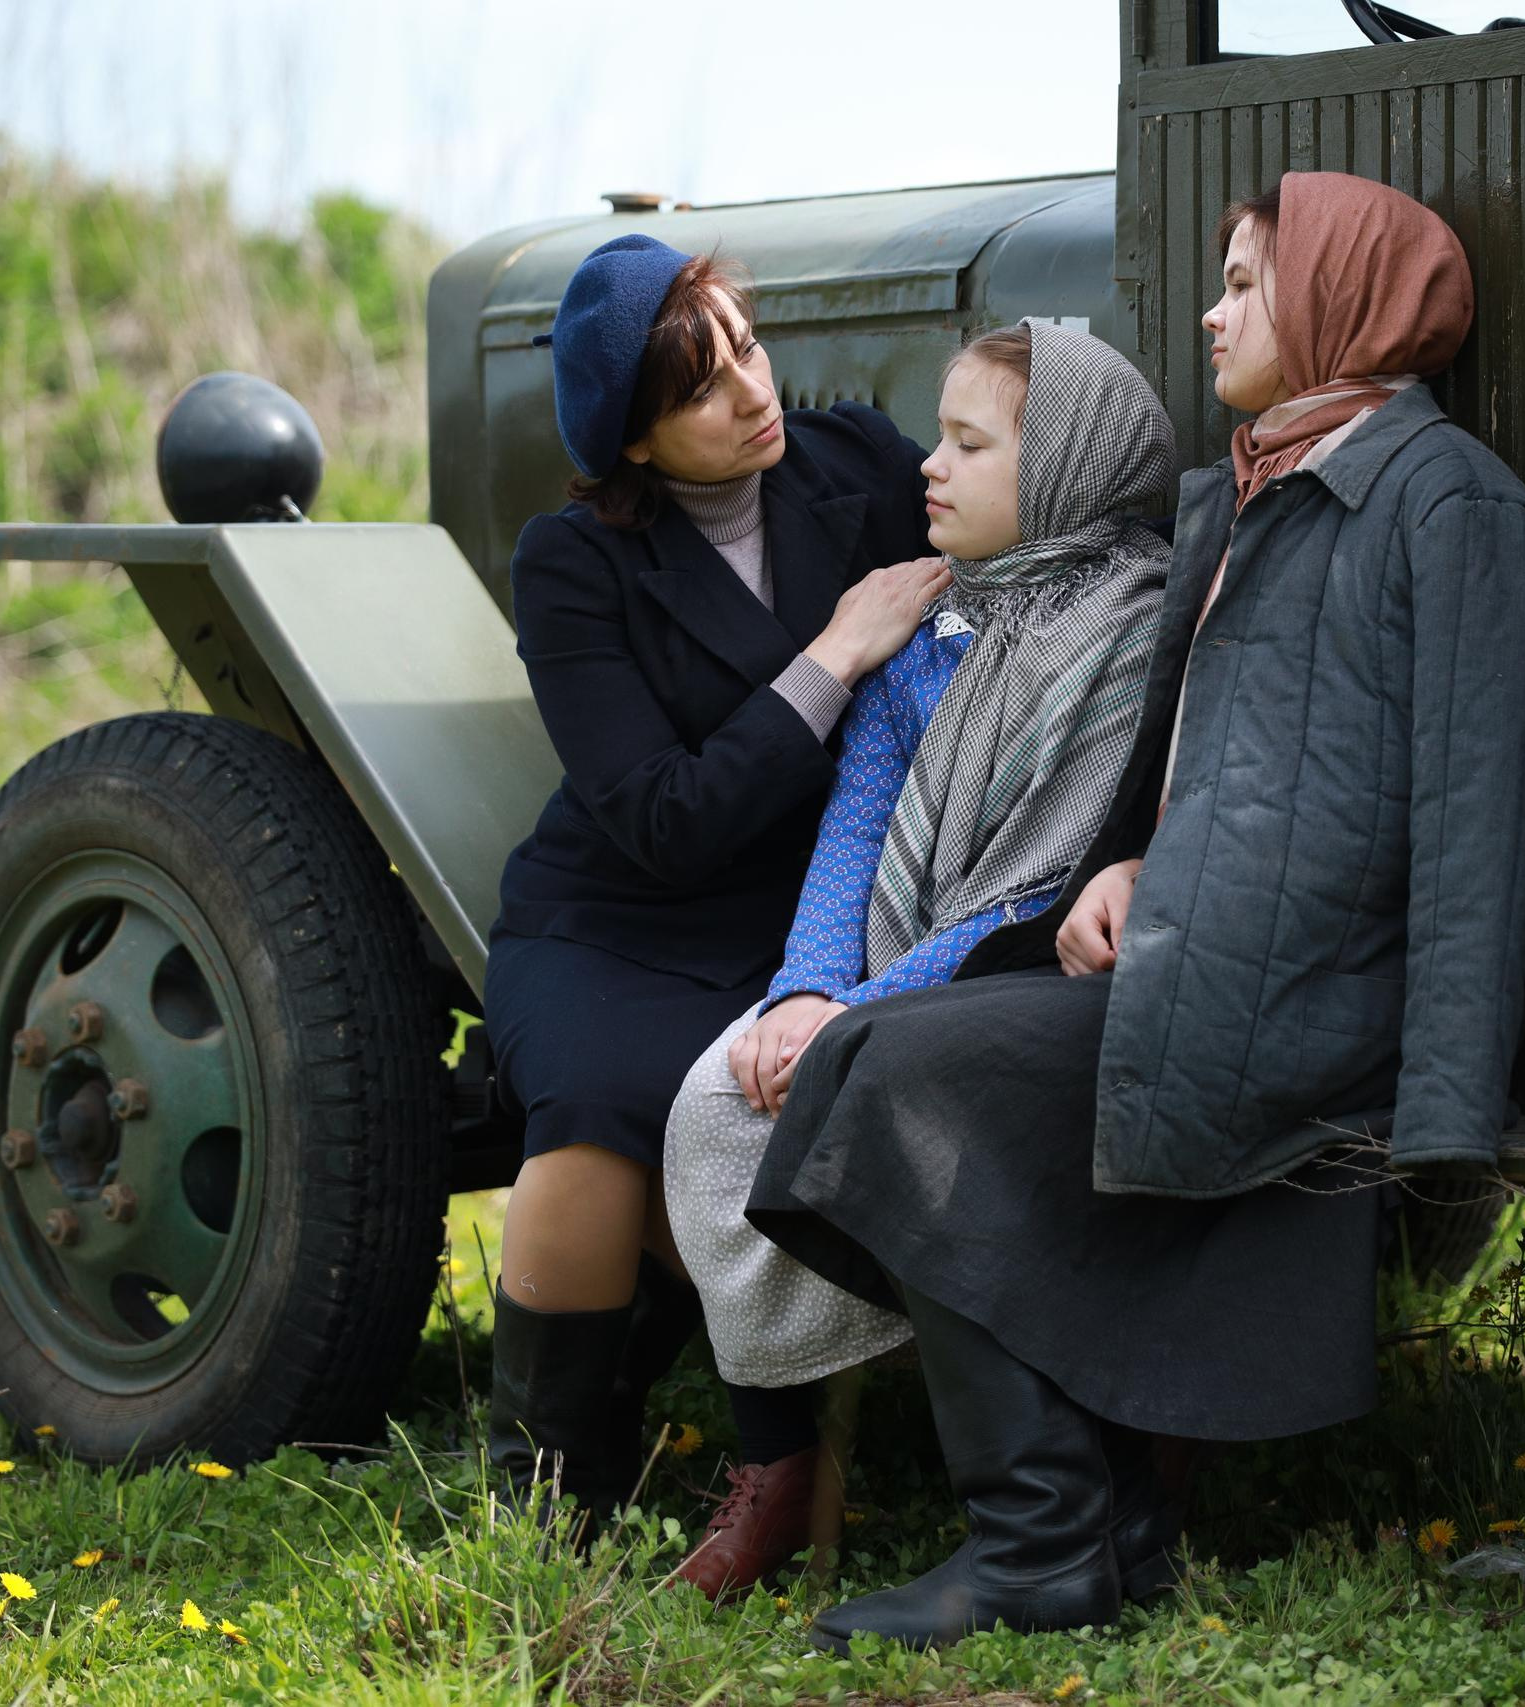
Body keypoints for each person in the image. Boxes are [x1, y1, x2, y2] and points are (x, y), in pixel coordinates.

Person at [745, 171, 1525, 1651]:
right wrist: (1133, 869)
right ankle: (1105, 1524)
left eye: (1247, 283)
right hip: (1200, 971)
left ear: (1337, 304)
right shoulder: (1252, 492)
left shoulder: (1449, 508)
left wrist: (1442, 1136)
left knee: (900, 1072)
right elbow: (1232, 767)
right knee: (874, 1057)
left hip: (1313, 1010)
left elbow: (1478, 825)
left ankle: (1037, 1544)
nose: (1212, 313)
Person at [660, 320, 1175, 1600]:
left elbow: (1035, 892)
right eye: (935, 439)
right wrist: (805, 992)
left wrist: (861, 1016)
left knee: (841, 1099)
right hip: (896, 976)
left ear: (1062, 466)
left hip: (1020, 979)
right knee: (710, 1104)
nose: (929, 468)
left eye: (968, 445)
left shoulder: (1127, 631)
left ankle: (1002, 1444)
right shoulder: (940, 628)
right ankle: (807, 1448)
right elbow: (853, 832)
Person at [483, 232, 947, 1532]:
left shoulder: (857, 461)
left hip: (799, 919)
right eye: (700, 388)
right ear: (633, 441)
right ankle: (549, 1500)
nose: (752, 393)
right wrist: (835, 654)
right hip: (613, 922)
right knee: (597, 1114)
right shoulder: (572, 563)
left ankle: (776, 1433)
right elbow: (663, 818)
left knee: (735, 1113)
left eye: (747, 347)